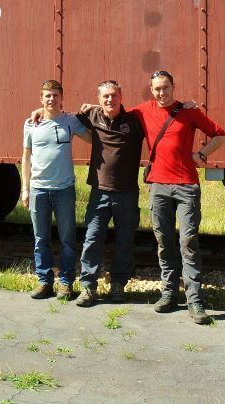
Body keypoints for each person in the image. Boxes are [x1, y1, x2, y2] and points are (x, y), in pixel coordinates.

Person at [130, 70, 225, 325]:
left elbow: (219, 134)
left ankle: (194, 300)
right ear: (152, 90)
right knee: (163, 240)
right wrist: (89, 106)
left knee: (188, 242)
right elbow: (113, 111)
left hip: (186, 186)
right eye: (157, 89)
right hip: (159, 186)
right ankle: (169, 293)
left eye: (166, 88)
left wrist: (202, 154)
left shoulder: (188, 111)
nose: (162, 93)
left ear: (174, 86)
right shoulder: (143, 111)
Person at [73, 80, 145, 307]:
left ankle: (118, 286)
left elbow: (161, 117)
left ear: (121, 96)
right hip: (100, 192)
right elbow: (60, 117)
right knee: (92, 239)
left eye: (113, 96)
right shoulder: (92, 115)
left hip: (127, 193)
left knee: (125, 241)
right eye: (105, 96)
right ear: (98, 98)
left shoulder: (135, 120)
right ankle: (88, 288)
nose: (109, 100)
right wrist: (39, 111)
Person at [21, 80, 90, 300]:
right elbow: (25, 157)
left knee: (67, 239)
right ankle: (44, 282)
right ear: (41, 99)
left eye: (55, 96)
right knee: (40, 239)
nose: (52, 99)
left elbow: (92, 138)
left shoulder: (70, 121)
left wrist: (88, 113)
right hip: (38, 190)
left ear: (62, 98)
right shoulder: (31, 124)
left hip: (64, 190)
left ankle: (66, 283)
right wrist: (25, 189)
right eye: (47, 96)